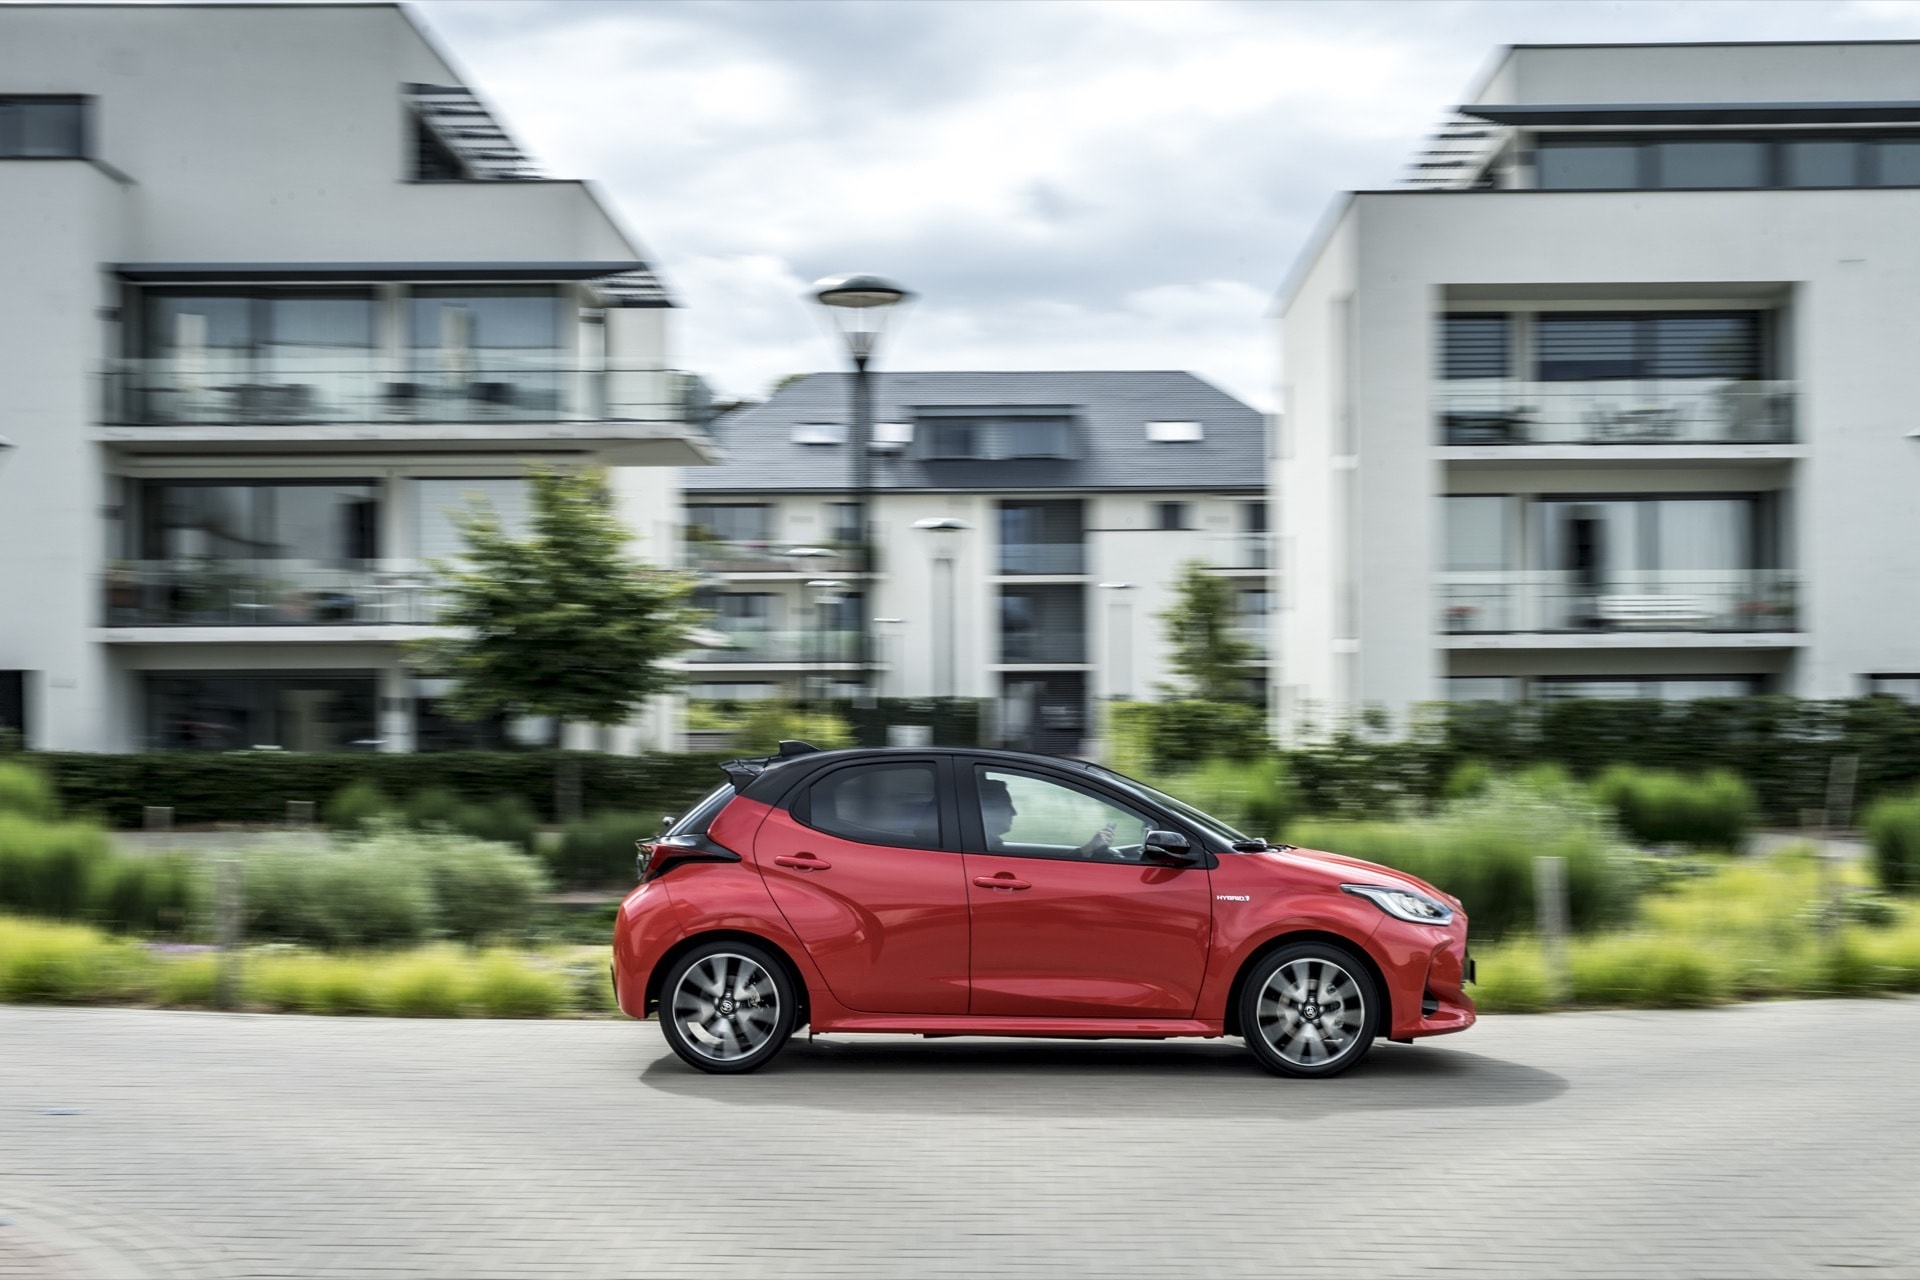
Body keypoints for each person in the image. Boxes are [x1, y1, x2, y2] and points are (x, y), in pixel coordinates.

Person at [978, 776, 1117, 859]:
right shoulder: (983, 853)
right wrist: (1087, 849)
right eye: (1007, 805)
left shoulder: (987, 846)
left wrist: (1088, 848)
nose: (1014, 812)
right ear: (988, 806)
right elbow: (1036, 876)